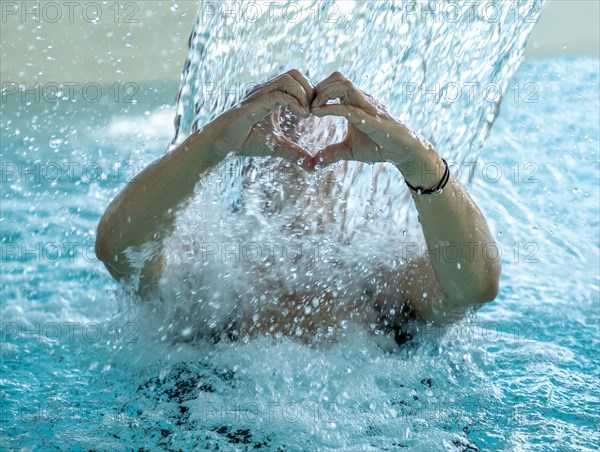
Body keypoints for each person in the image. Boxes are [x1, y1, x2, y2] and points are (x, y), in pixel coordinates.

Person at [95, 70, 500, 345]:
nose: (296, 120)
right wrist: (208, 147)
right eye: (277, 118)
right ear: (246, 163)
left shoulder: (382, 275)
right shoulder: (213, 276)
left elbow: (474, 286)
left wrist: (419, 162)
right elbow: (119, 250)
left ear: (347, 164)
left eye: (317, 116)